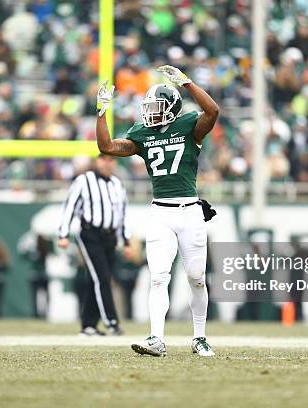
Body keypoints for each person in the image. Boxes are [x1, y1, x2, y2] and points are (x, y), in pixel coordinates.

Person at [95, 64, 219, 357]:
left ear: (173, 107)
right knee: (158, 276)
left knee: (196, 276)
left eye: (157, 106)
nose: (151, 112)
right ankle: (155, 338)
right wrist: (101, 111)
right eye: (148, 107)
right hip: (161, 213)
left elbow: (212, 111)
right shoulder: (142, 133)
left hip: (189, 212)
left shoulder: (189, 125)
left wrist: (186, 83)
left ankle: (199, 337)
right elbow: (106, 146)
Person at [58, 153, 130, 336]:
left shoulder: (117, 184)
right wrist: (63, 234)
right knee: (103, 278)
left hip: (110, 236)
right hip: (90, 234)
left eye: (111, 160)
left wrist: (125, 240)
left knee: (95, 280)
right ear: (96, 162)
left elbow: (122, 214)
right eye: (103, 159)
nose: (107, 163)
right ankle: (111, 321)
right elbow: (70, 206)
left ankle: (88, 325)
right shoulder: (84, 180)